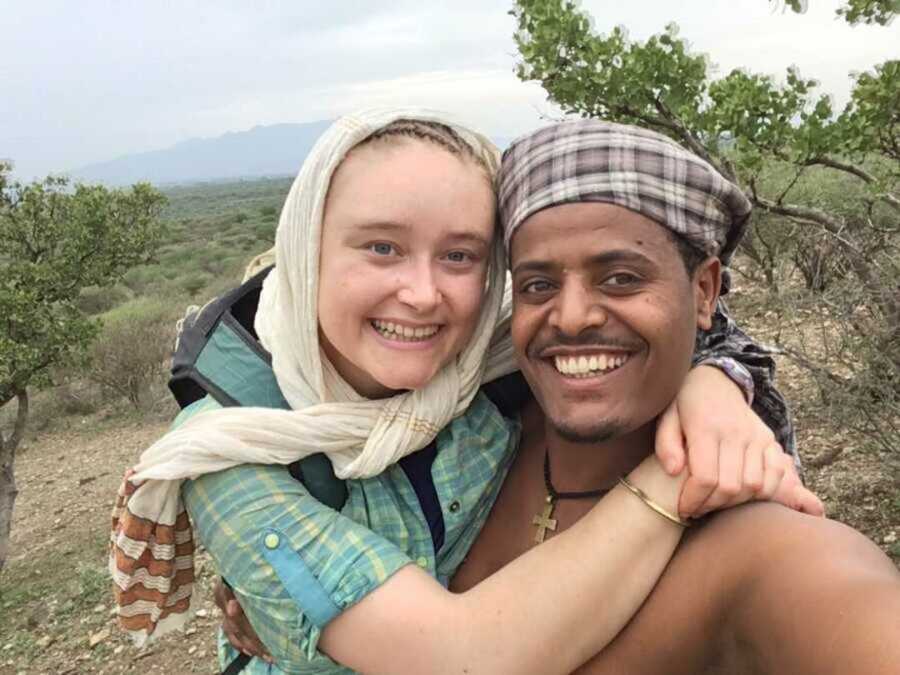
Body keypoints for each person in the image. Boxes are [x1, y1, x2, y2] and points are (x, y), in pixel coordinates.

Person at [111, 109, 816, 674]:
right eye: (381, 247)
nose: (421, 295)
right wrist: (674, 475)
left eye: (460, 255)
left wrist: (714, 383)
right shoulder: (229, 451)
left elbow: (663, 324)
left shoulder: (490, 367)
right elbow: (462, 656)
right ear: (307, 253)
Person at [444, 119, 900, 674]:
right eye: (538, 285)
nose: (571, 317)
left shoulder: (761, 550)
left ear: (704, 290)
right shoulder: (465, 445)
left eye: (620, 278)